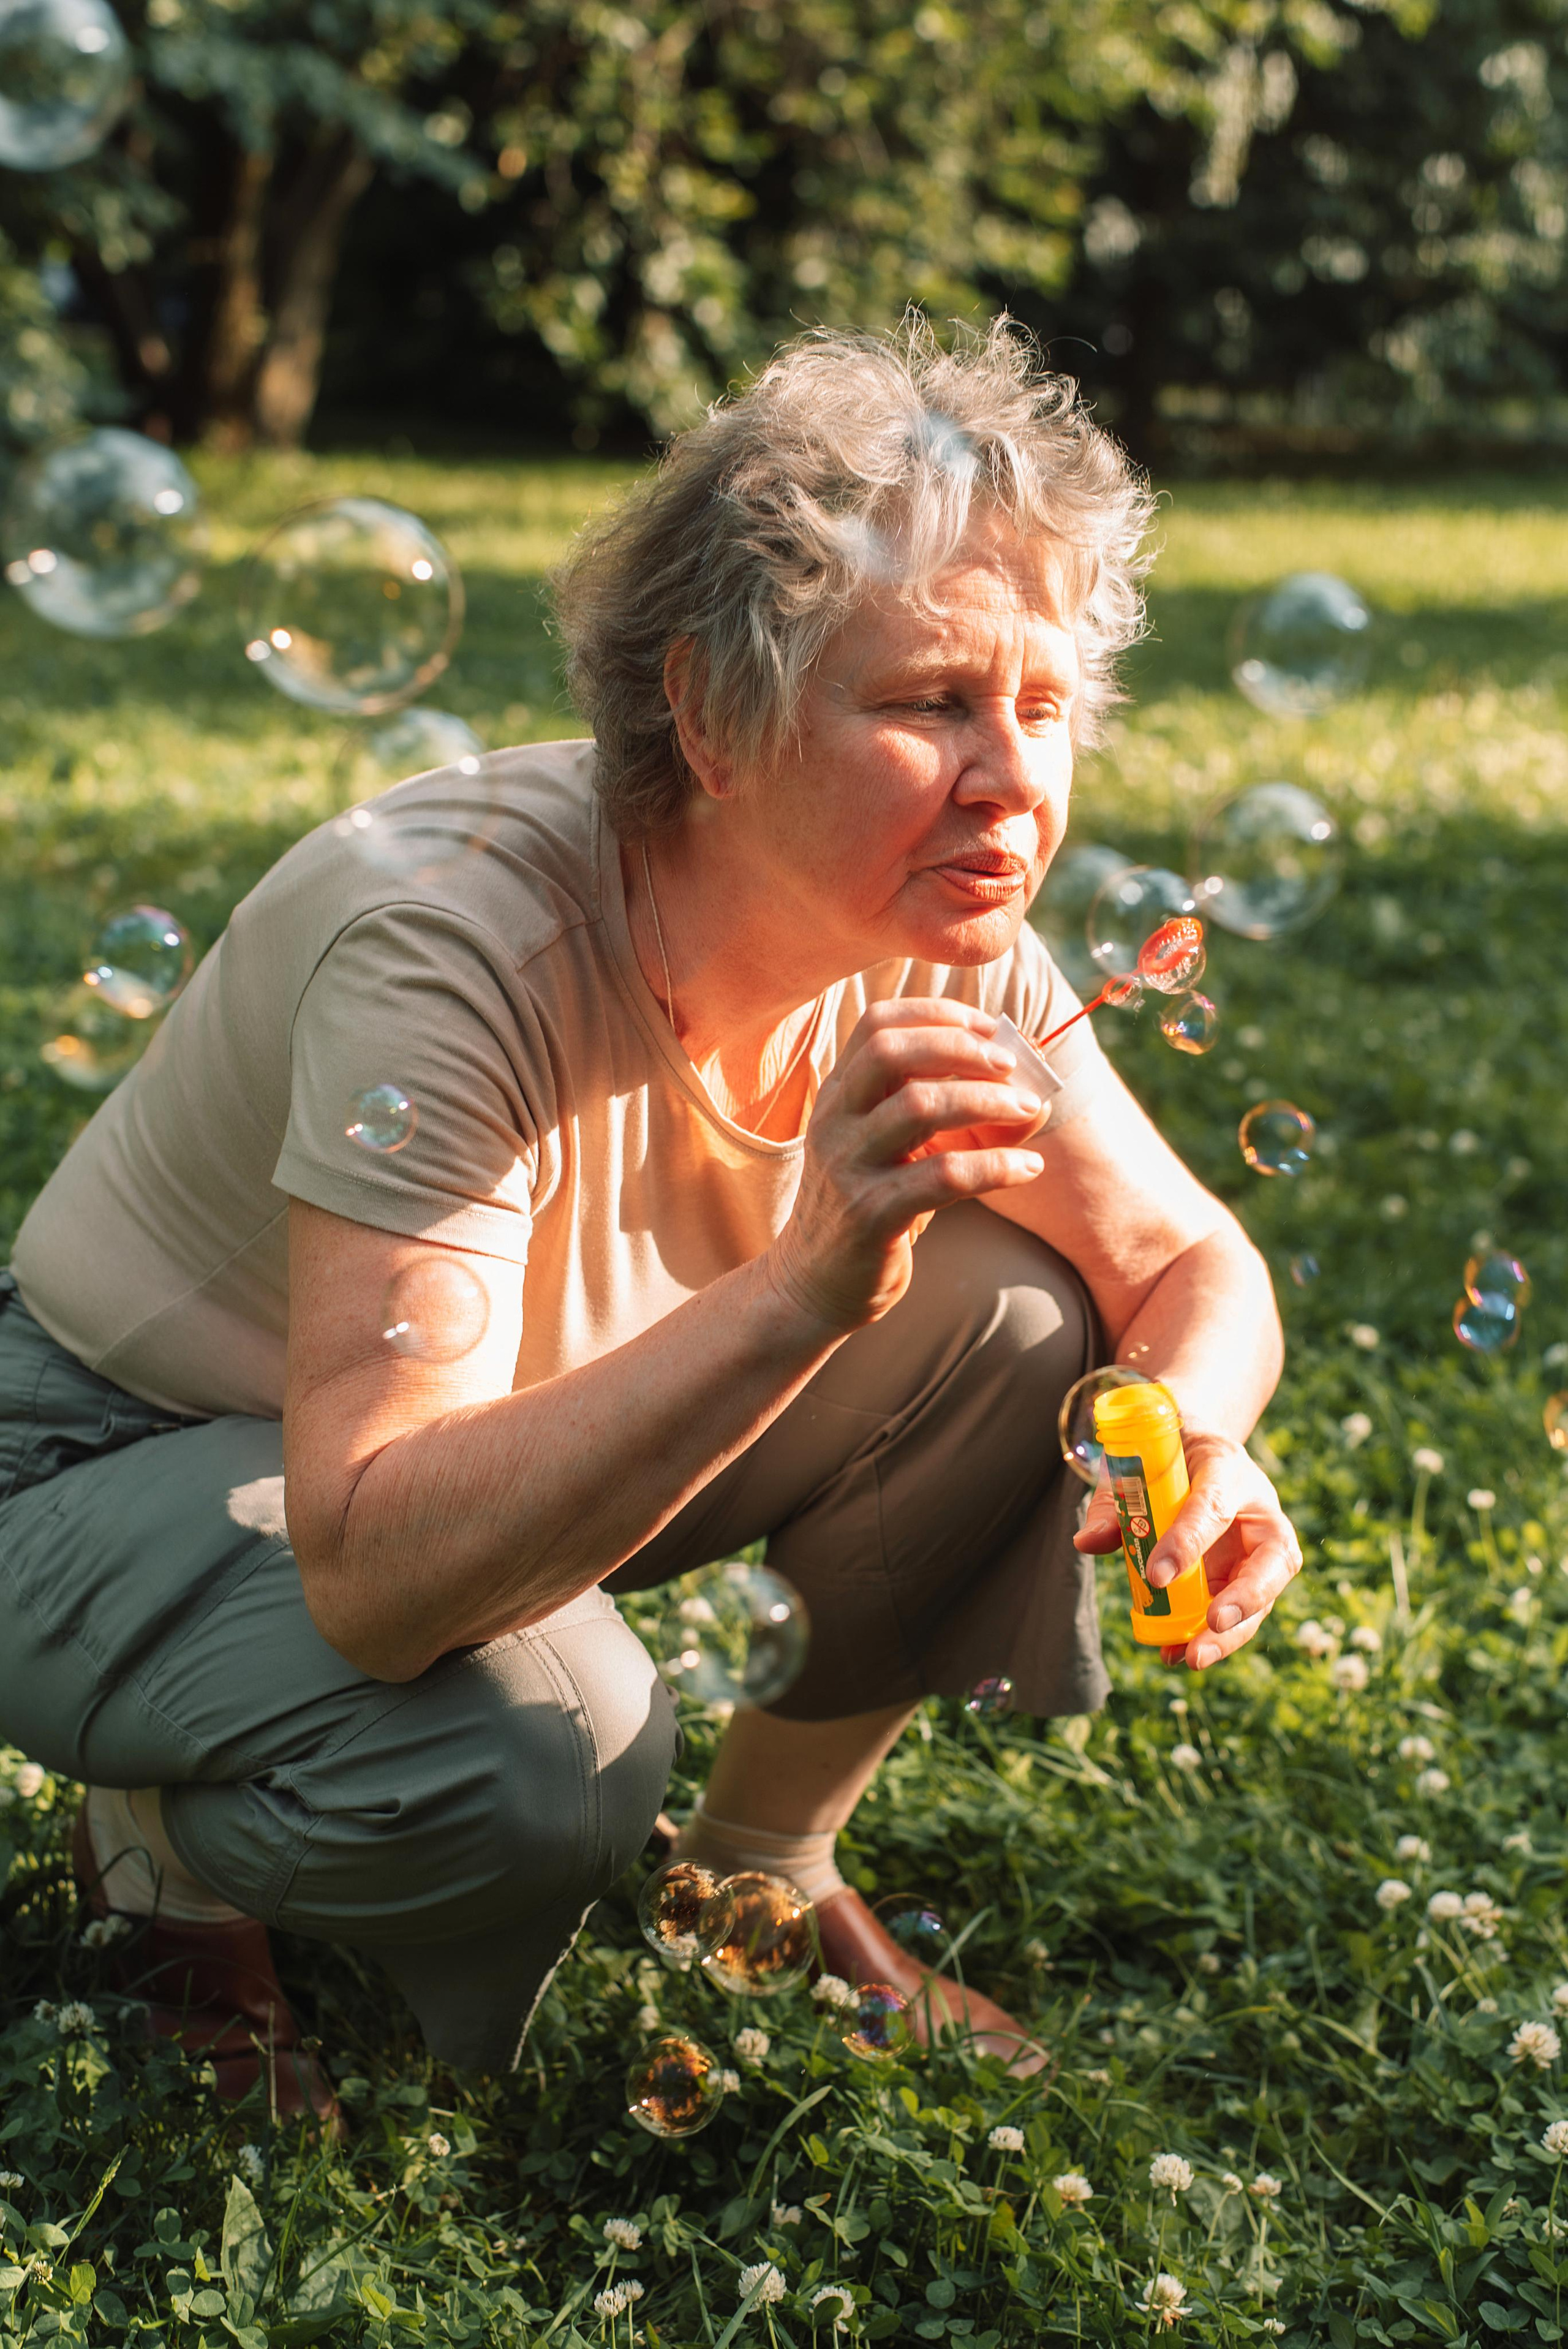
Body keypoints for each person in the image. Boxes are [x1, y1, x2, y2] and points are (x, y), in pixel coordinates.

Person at [0, 317, 1301, 2109]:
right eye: (931, 700)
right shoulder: (455, 944)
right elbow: (377, 1573)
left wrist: (1202, 1438)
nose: (1015, 780)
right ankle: (170, 1848)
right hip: (110, 1467)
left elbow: (1184, 1261)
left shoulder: (944, 927)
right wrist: (808, 1284)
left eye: (1048, 702)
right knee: (549, 1753)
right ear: (707, 709)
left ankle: (761, 1868)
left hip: (473, 1445)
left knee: (1022, 1318)